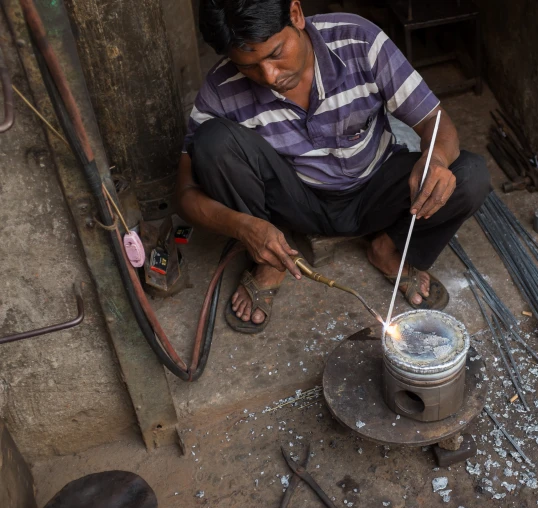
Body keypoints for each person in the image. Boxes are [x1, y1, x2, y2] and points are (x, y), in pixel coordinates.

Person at [176, 0, 491, 333]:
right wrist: (245, 227)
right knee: (213, 142)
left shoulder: (358, 40)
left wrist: (436, 160)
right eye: (248, 66)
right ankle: (270, 262)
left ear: (295, 14)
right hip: (296, 200)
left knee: (469, 176)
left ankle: (389, 248)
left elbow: (434, 120)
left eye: (275, 53)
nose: (268, 75)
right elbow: (184, 194)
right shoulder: (221, 88)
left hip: (377, 186)